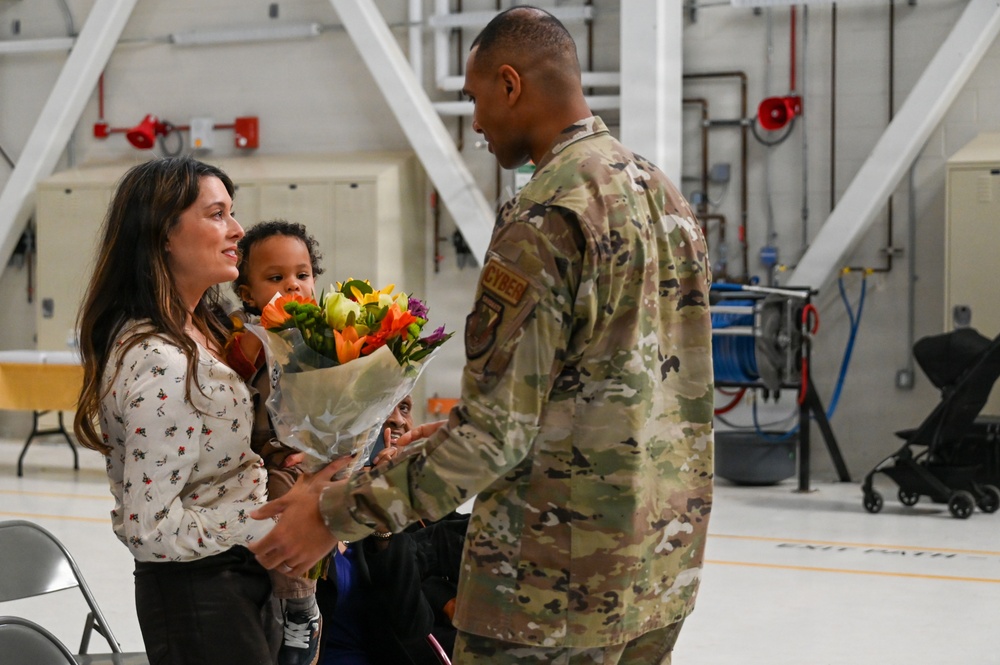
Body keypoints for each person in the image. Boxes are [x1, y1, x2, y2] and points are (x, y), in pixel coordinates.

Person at [250, 6, 714, 664]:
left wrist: (332, 513)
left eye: (474, 98)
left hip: (555, 589)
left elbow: (496, 434)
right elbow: (630, 384)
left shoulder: (548, 216)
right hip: (658, 569)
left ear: (510, 83)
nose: (475, 121)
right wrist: (446, 431)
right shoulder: (661, 195)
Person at [73, 156, 279, 665]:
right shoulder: (157, 359)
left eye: (233, 213)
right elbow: (150, 530)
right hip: (199, 595)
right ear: (164, 233)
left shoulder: (205, 330)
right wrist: (270, 526)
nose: (237, 230)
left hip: (236, 575)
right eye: (216, 215)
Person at [228, 220, 326, 665]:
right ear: (248, 293)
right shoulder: (248, 339)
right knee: (284, 496)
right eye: (275, 278)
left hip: (316, 454)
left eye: (302, 275)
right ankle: (299, 602)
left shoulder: (326, 335)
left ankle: (307, 604)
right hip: (268, 456)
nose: (293, 285)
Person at [317, 396, 467, 665]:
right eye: (383, 405)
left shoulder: (428, 506)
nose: (397, 419)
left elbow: (466, 548)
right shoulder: (324, 503)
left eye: (405, 408)